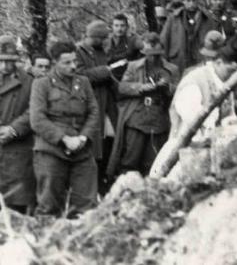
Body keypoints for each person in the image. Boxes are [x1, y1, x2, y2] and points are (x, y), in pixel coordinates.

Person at [30, 41, 99, 217]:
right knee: (48, 206)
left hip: (82, 151)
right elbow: (37, 119)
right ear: (54, 63)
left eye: (74, 61)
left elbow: (93, 112)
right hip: (51, 151)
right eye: (67, 63)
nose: (73, 66)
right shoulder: (42, 84)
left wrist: (83, 138)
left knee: (86, 207)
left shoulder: (83, 82)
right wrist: (64, 139)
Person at [150, 45, 237, 177]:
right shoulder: (195, 80)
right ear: (219, 63)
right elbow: (190, 117)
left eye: (235, 72)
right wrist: (213, 129)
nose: (232, 76)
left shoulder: (226, 84)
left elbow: (229, 114)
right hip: (186, 148)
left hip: (213, 148)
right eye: (230, 71)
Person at [107, 33, 179, 177]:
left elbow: (179, 91)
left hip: (160, 118)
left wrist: (168, 88)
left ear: (162, 52)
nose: (153, 58)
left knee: (154, 163)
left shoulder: (172, 69)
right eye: (149, 54)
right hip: (137, 117)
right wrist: (141, 87)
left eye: (156, 54)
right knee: (129, 160)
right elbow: (122, 87)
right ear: (143, 52)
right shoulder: (134, 66)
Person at [0, 35, 35, 214]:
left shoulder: (28, 80)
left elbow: (34, 110)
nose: (5, 66)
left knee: (17, 205)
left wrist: (14, 129)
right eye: (1, 61)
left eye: (10, 61)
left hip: (18, 152)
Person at [76, 20, 119, 194]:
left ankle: (104, 185)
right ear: (93, 37)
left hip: (106, 105)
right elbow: (79, 75)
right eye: (102, 39)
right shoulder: (78, 52)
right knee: (92, 148)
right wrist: (105, 71)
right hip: (89, 107)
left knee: (108, 143)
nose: (105, 42)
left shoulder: (101, 52)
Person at [160, 0, 218, 75]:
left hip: (199, 58)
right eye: (188, 0)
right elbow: (164, 40)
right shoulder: (174, 18)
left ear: (198, 0)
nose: (191, 3)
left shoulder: (207, 18)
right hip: (178, 59)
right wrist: (164, 62)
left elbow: (214, 39)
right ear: (183, 1)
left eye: (194, 0)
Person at [104, 13, 143, 80]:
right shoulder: (106, 41)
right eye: (116, 26)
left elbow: (145, 48)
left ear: (127, 27)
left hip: (128, 79)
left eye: (122, 26)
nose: (119, 29)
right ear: (112, 26)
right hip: (110, 78)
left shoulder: (133, 40)